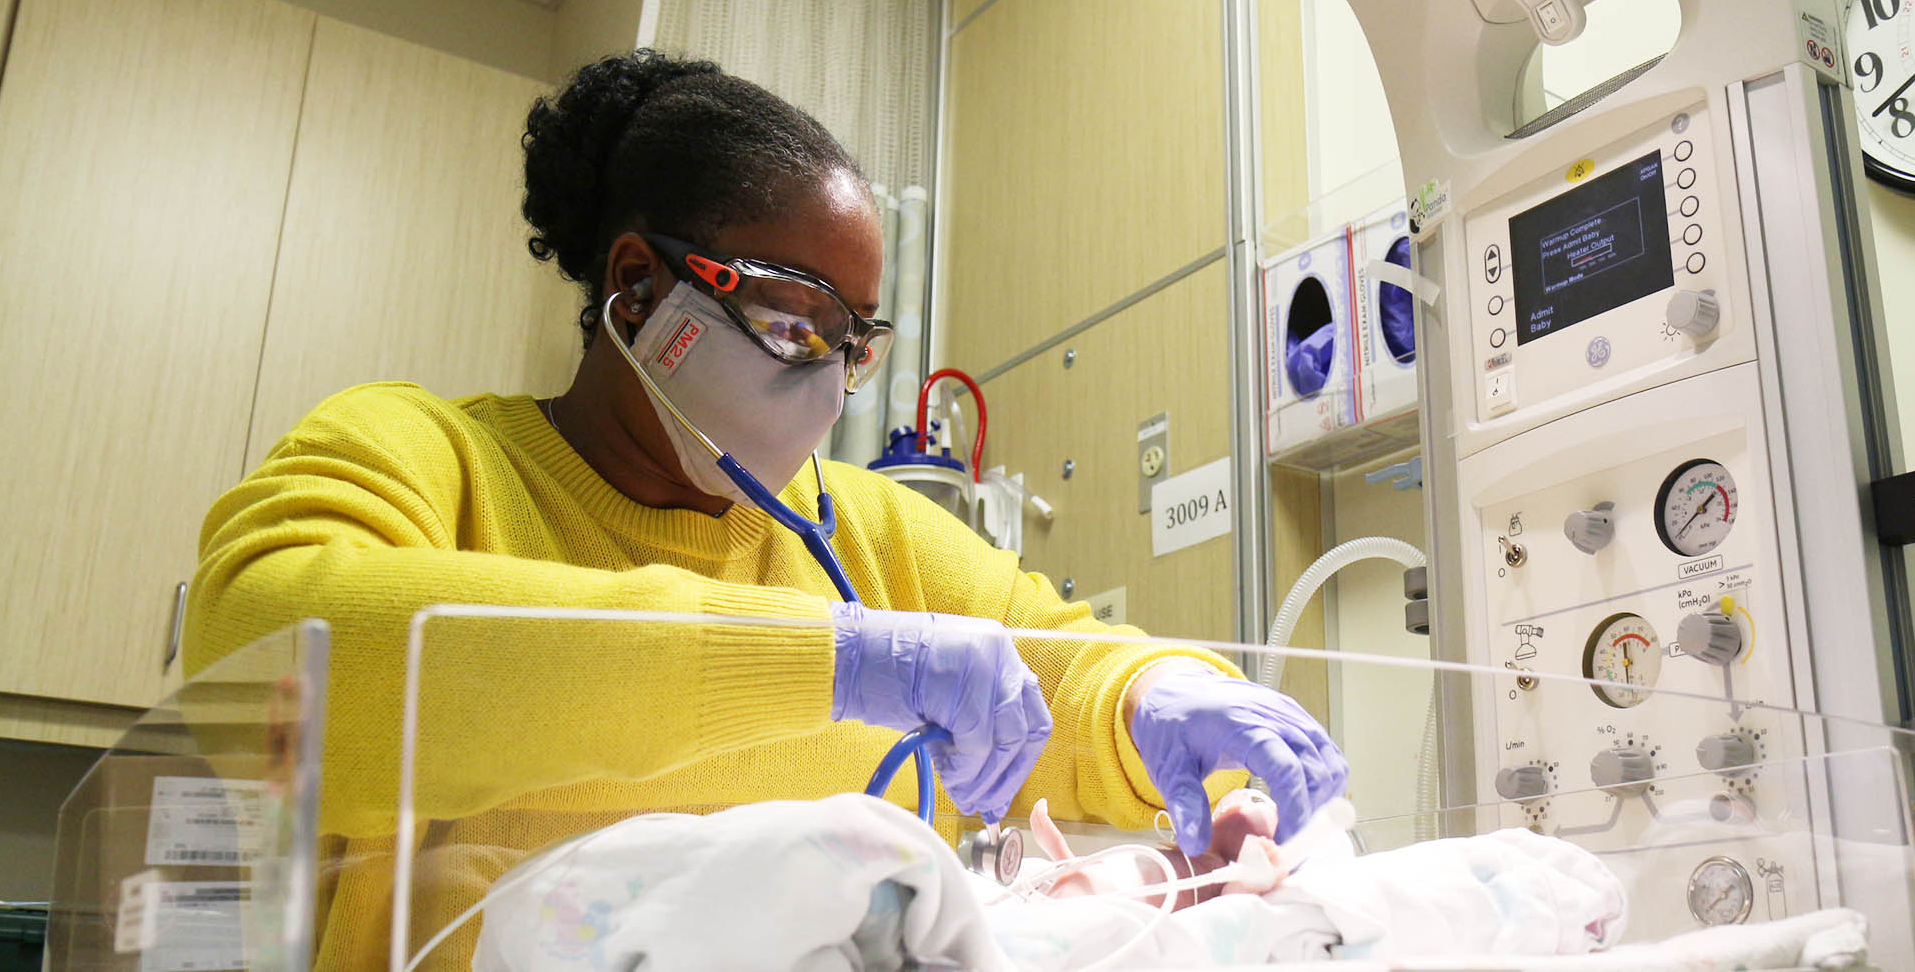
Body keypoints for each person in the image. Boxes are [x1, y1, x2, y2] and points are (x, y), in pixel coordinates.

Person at [183, 50, 1345, 966]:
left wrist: (1161, 699)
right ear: (640, 289)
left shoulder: (864, 531)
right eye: (796, 323)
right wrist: (821, 661)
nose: (830, 382)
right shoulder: (433, 460)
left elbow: (1060, 672)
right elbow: (267, 661)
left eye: (855, 343)